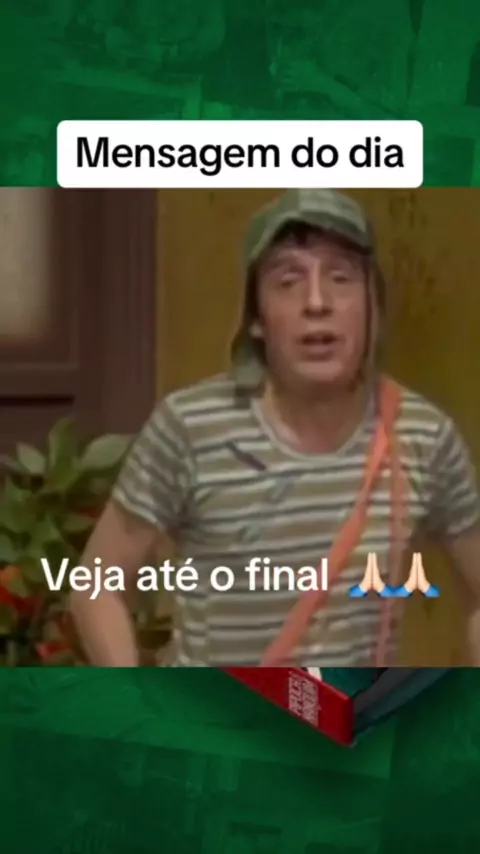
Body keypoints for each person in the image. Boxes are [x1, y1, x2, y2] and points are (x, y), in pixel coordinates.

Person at [69, 188, 480, 667]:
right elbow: (95, 587)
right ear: (257, 321)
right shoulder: (190, 428)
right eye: (288, 281)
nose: (317, 302)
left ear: (373, 307)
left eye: (341, 278)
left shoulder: (423, 437)